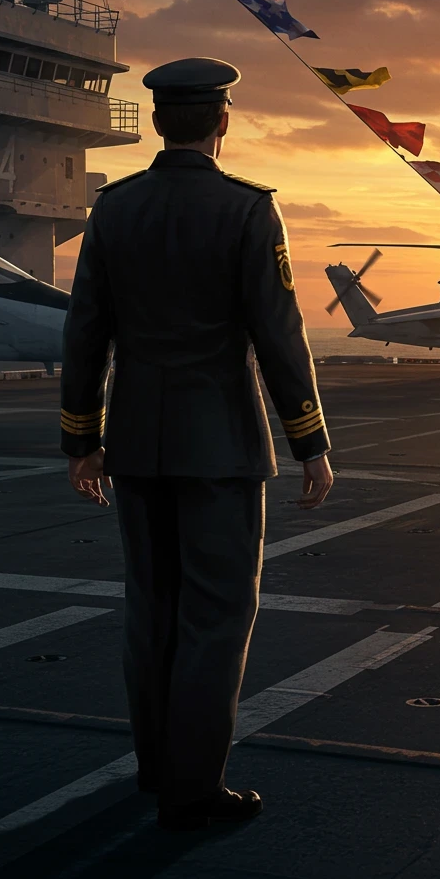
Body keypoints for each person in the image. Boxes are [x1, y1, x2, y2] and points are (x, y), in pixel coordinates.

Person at [60, 56, 334, 832]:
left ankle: (156, 768)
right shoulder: (248, 209)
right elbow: (279, 336)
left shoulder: (114, 208)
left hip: (136, 443)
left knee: (151, 609)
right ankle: (192, 791)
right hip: (220, 446)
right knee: (215, 617)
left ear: (157, 122)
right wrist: (309, 440)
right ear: (223, 122)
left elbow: (86, 331)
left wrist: (82, 439)